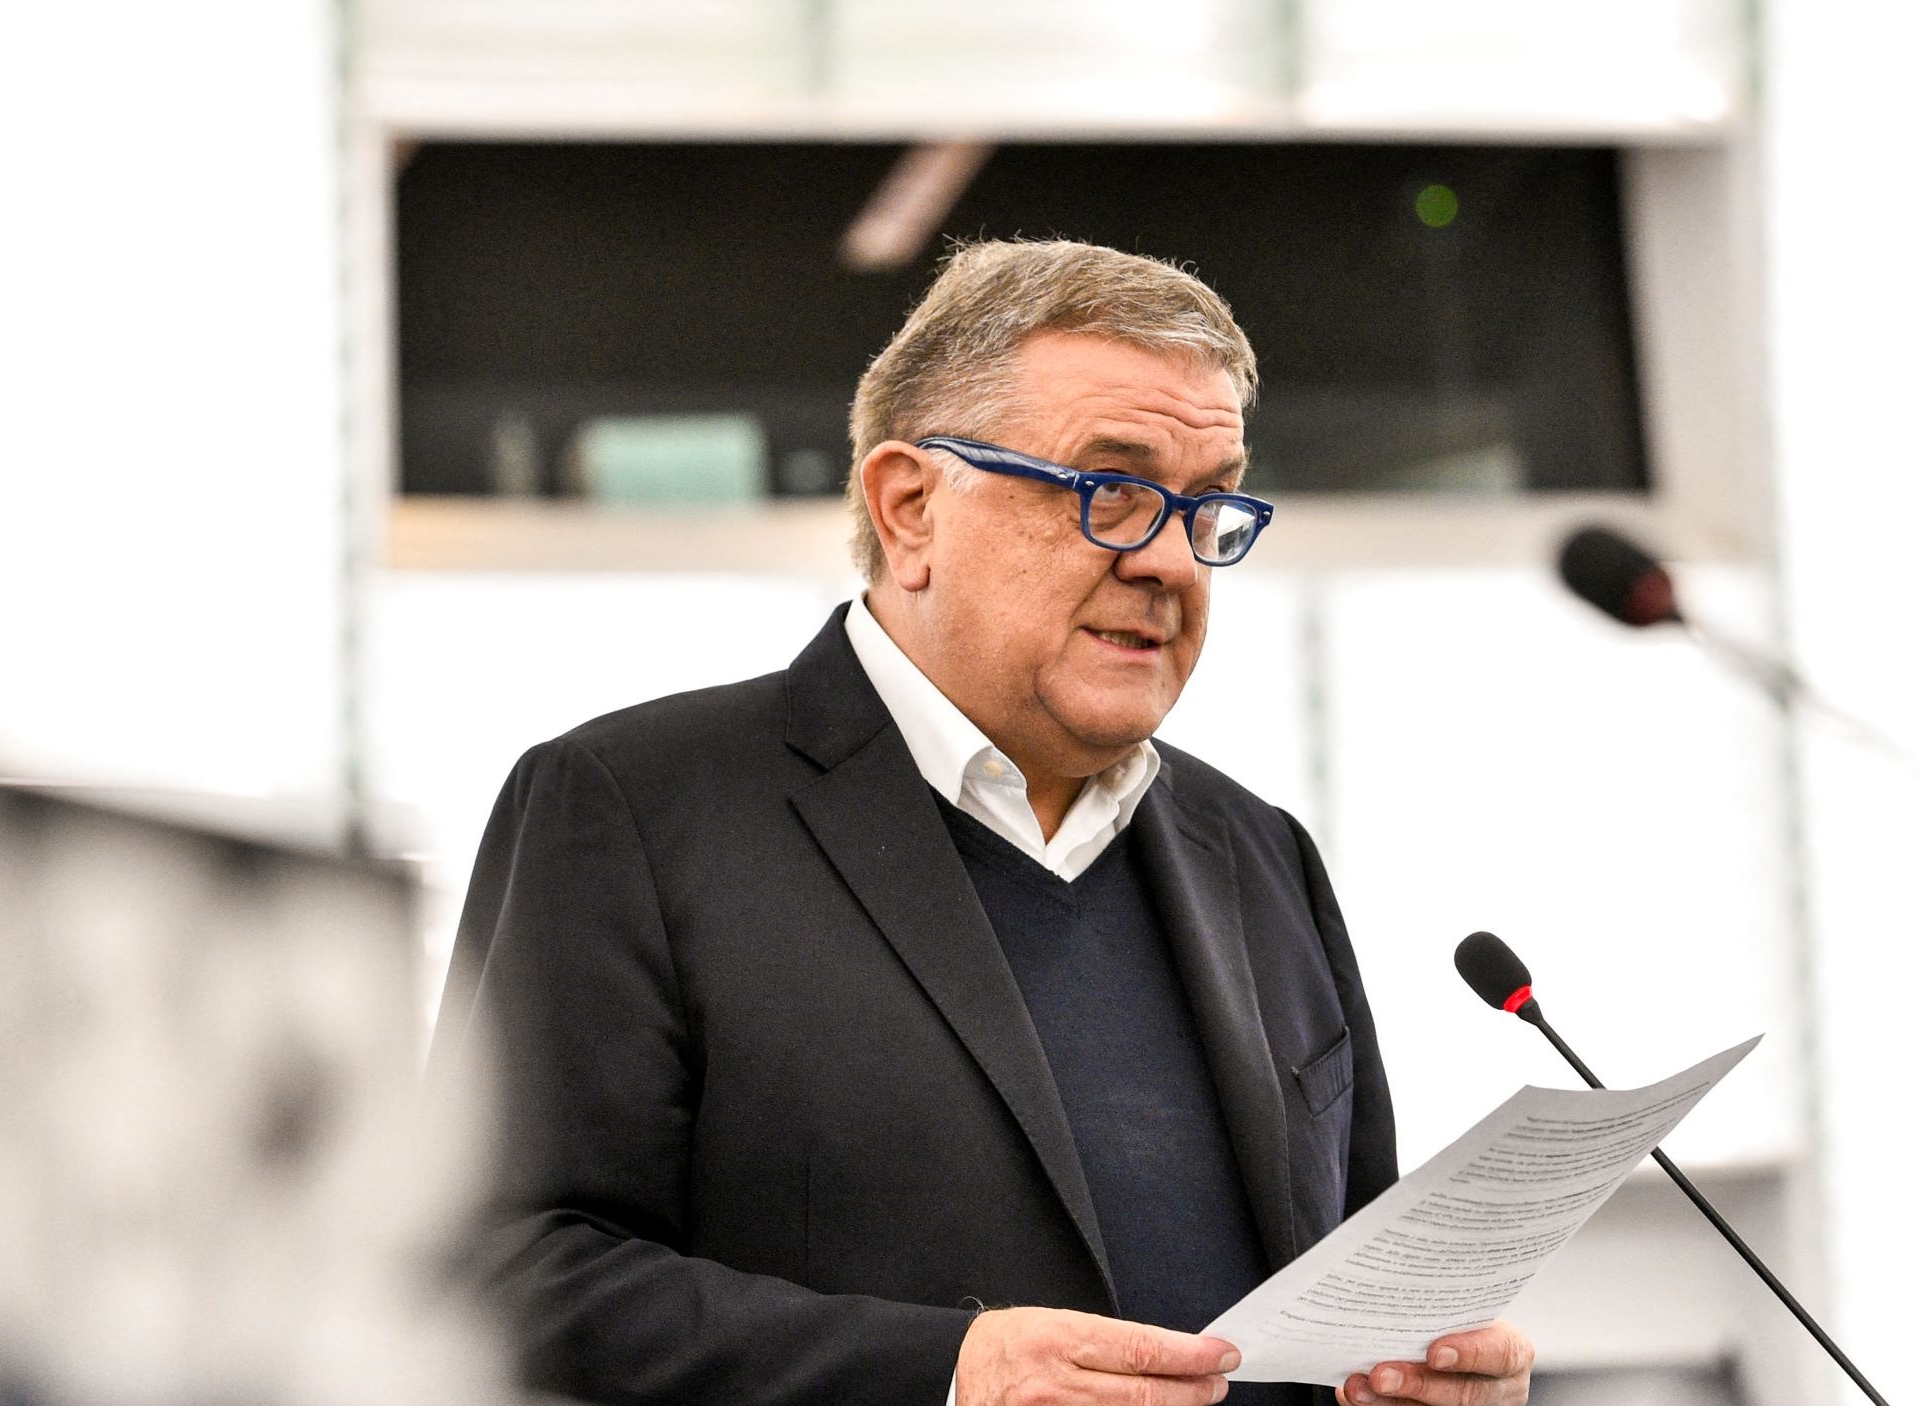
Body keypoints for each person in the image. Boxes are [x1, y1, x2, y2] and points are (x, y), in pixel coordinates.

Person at [431, 241, 1535, 1406]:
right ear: (910, 507)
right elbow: (496, 1275)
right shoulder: (632, 808)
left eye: (1209, 504)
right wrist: (940, 1373)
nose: (1171, 559)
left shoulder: (1258, 852)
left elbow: (1344, 1290)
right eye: (1111, 491)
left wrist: (1428, 1378)